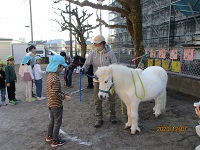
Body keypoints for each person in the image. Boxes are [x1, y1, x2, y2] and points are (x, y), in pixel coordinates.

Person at [81, 35, 118, 128]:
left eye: (99, 44)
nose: (97, 45)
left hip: (109, 80)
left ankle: (113, 116)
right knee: (97, 100)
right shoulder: (93, 54)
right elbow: (86, 64)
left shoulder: (110, 53)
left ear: (103, 43)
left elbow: (115, 65)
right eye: (95, 44)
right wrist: (83, 69)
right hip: (97, 80)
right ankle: (99, 119)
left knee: (112, 99)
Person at [45, 54, 71, 148]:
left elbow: (54, 91)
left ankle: (49, 136)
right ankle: (55, 140)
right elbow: (55, 93)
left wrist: (64, 94)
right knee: (57, 122)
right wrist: (64, 97)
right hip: (56, 104)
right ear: (58, 66)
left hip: (50, 103)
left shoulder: (50, 76)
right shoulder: (56, 78)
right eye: (62, 67)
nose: (63, 69)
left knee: (52, 120)